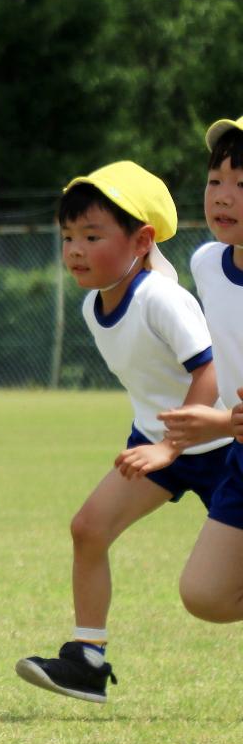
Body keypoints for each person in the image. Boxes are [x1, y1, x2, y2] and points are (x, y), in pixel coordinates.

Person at [16, 163, 228, 700]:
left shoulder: (161, 297)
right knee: (89, 529)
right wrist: (159, 444)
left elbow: (212, 370)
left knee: (218, 586)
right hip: (161, 446)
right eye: (68, 237)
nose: (75, 250)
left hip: (224, 445)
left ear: (142, 241)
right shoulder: (94, 305)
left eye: (92, 236)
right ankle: (87, 659)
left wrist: (168, 445)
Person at [162, 119, 243, 624]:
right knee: (205, 595)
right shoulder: (208, 263)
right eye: (216, 181)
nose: (223, 196)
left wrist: (214, 424)